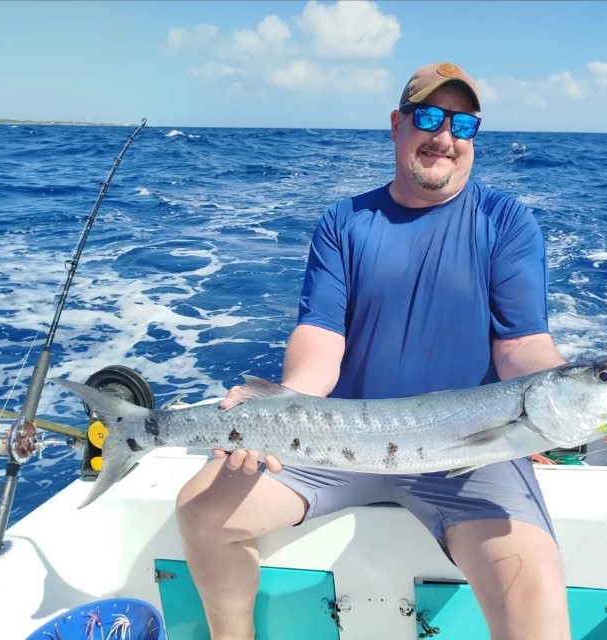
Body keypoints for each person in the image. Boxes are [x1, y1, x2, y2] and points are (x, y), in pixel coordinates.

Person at [176, 61, 572, 640]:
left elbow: (522, 348)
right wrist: (278, 407)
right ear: (397, 124)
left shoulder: (505, 221)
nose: (444, 137)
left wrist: (594, 397)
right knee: (201, 512)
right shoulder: (345, 221)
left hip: (466, 451)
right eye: (429, 117)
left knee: (534, 592)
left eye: (463, 125)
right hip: (333, 444)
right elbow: (320, 341)